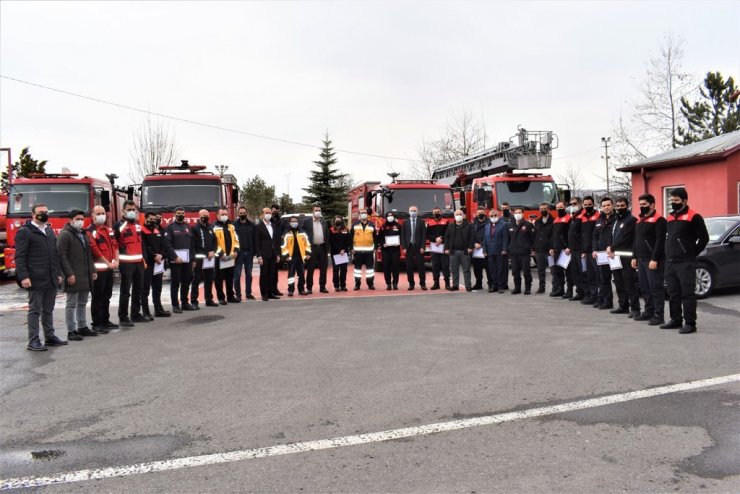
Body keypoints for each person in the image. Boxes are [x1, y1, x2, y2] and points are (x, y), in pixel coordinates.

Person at [15, 203, 67, 351]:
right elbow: (20, 257)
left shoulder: (49, 231)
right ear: (33, 215)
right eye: (40, 212)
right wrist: (24, 276)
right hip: (35, 278)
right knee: (35, 310)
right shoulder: (25, 232)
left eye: (46, 211)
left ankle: (50, 337)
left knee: (48, 309)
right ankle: (33, 341)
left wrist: (58, 274)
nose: (44, 214)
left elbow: (54, 255)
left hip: (50, 278)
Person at [661, 187, 709, 334]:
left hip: (685, 262)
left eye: (676, 200)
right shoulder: (670, 217)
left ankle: (690, 323)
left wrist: (692, 252)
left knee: (687, 293)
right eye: (672, 200)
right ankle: (676, 320)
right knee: (673, 293)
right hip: (670, 262)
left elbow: (704, 238)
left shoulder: (694, 217)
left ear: (685, 201)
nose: (673, 203)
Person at [57, 209, 98, 341]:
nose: (81, 221)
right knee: (71, 303)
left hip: (85, 274)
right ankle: (71, 330)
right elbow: (61, 256)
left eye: (82, 218)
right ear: (71, 220)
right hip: (73, 275)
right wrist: (69, 273)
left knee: (82, 303)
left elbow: (88, 255)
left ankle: (82, 326)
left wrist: (93, 270)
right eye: (78, 219)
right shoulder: (65, 235)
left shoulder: (83, 234)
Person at [631, 193, 667, 326]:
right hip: (641, 260)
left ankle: (659, 315)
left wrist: (655, 258)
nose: (641, 207)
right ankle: (649, 311)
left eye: (644, 205)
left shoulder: (659, 220)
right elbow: (636, 240)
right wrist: (634, 256)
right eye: (640, 205)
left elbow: (660, 241)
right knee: (645, 288)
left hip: (653, 261)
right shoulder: (640, 220)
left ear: (652, 205)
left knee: (656, 288)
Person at [114, 200, 147, 326]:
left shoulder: (138, 226)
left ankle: (135, 314)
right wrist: (116, 260)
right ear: (123, 211)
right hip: (126, 263)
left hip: (138, 262)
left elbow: (141, 245)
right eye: (129, 210)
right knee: (126, 291)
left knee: (138, 289)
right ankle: (123, 317)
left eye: (134, 210)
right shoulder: (119, 226)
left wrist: (144, 260)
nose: (132, 212)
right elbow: (114, 244)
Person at [87, 205, 119, 333]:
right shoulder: (90, 231)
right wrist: (108, 263)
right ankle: (97, 323)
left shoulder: (109, 230)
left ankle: (105, 320)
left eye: (103, 213)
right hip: (98, 271)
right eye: (98, 213)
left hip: (109, 269)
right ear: (93, 216)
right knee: (97, 297)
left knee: (107, 296)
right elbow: (95, 251)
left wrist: (116, 261)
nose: (101, 216)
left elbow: (116, 246)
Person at [607, 197, 640, 317]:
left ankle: (635, 309)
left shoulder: (631, 220)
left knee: (629, 283)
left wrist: (612, 247)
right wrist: (610, 248)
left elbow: (625, 238)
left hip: (627, 257)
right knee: (618, 282)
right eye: (618, 206)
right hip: (615, 257)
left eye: (622, 206)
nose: (620, 208)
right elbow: (613, 236)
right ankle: (623, 306)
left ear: (627, 206)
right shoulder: (616, 220)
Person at [165, 206, 195, 313]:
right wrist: (174, 257)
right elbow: (168, 244)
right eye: (179, 213)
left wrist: (193, 259)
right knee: (175, 283)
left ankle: (185, 303)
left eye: (182, 213)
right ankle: (175, 305)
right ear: (174, 215)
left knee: (186, 282)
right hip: (175, 261)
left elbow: (192, 245)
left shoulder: (188, 227)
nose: (181, 215)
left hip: (187, 260)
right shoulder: (170, 227)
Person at [140, 211, 170, 318]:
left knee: (158, 288)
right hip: (148, 263)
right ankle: (146, 312)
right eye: (151, 219)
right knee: (145, 289)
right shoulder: (142, 231)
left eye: (154, 219)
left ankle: (158, 309)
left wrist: (161, 255)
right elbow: (144, 247)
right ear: (146, 218)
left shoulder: (157, 230)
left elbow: (163, 245)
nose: (153, 221)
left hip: (158, 263)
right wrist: (154, 256)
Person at [592, 197, 617, 310]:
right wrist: (594, 249)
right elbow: (595, 236)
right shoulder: (599, 219)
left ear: (613, 205)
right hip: (602, 254)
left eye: (608, 205)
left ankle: (624, 305)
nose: (606, 207)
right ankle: (607, 301)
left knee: (618, 280)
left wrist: (612, 247)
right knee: (604, 279)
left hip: (614, 254)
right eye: (604, 206)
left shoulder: (617, 218)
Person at [191, 210, 217, 307]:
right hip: (199, 258)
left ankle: (209, 299)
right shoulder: (194, 228)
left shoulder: (210, 227)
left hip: (210, 259)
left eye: (207, 215)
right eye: (203, 215)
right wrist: (206, 253)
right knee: (196, 280)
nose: (205, 217)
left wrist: (213, 251)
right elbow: (196, 244)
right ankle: (194, 301)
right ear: (199, 216)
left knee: (209, 279)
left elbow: (215, 241)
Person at [213, 208, 240, 304]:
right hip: (220, 258)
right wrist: (221, 254)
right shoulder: (214, 227)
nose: (224, 215)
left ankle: (230, 296)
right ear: (217, 216)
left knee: (230, 277)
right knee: (219, 279)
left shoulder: (231, 226)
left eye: (225, 214)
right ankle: (221, 298)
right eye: (222, 214)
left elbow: (236, 240)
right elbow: (213, 243)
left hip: (231, 257)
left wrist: (236, 251)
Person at [255, 207, 281, 301]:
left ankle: (271, 293)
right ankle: (264, 294)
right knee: (264, 275)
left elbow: (276, 241)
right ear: (262, 214)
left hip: (273, 254)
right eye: (266, 212)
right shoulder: (258, 227)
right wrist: (259, 256)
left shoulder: (273, 225)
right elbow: (257, 243)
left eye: (270, 212)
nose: (268, 214)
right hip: (264, 255)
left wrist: (278, 254)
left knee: (272, 274)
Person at [444, 209, 473, 292]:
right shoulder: (450, 226)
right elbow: (447, 237)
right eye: (457, 214)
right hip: (453, 251)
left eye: (460, 214)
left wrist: (470, 247)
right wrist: (446, 248)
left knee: (466, 269)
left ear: (463, 215)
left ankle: (468, 285)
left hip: (465, 251)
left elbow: (472, 237)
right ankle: (455, 285)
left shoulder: (469, 225)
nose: (458, 216)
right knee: (454, 269)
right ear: (454, 216)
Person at [579, 196, 601, 305]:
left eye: (589, 204)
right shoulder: (582, 217)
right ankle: (592, 296)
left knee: (598, 275)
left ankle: (599, 297)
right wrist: (583, 250)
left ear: (593, 204)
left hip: (595, 251)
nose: (587, 206)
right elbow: (582, 235)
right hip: (586, 251)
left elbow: (597, 235)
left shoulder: (598, 216)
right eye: (585, 205)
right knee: (590, 275)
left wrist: (595, 249)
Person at [303, 205, 329, 294]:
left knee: (323, 269)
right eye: (316, 210)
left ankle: (322, 287)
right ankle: (309, 288)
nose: (318, 212)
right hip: (312, 248)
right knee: (310, 269)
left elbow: (327, 236)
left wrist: (328, 249)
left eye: (319, 210)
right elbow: (302, 234)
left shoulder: (324, 222)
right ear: (313, 212)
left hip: (322, 248)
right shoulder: (306, 222)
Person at [508, 208, 534, 294]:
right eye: (516, 213)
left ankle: (528, 288)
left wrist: (531, 248)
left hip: (524, 253)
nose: (517, 214)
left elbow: (532, 238)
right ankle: (517, 288)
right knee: (515, 272)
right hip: (514, 253)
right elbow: (508, 238)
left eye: (519, 212)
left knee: (526, 271)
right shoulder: (511, 225)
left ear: (523, 214)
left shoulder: (528, 225)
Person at [281, 217, 311, 296]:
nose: (294, 222)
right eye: (292, 221)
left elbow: (307, 244)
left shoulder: (303, 232)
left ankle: (301, 290)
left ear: (298, 222)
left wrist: (308, 253)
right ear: (289, 223)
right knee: (291, 275)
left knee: (301, 274)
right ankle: (290, 290)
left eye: (295, 221)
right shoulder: (286, 233)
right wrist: (286, 255)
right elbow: (283, 246)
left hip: (301, 257)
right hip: (291, 257)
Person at [401, 205, 427, 290]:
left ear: (417, 212)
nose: (413, 212)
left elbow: (424, 235)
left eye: (414, 210)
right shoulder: (405, 222)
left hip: (419, 246)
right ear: (409, 212)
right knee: (409, 266)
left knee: (421, 266)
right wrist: (404, 247)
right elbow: (403, 236)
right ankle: (411, 284)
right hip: (409, 247)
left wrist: (423, 246)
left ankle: (422, 283)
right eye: (411, 210)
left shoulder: (421, 222)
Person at [565, 197, 587, 301]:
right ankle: (579, 292)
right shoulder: (574, 216)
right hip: (573, 249)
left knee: (583, 272)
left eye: (575, 203)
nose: (572, 206)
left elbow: (583, 234)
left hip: (580, 250)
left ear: (580, 204)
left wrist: (584, 250)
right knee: (575, 272)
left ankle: (587, 293)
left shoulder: (583, 216)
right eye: (571, 204)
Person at [483, 210, 509, 293]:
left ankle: (501, 286)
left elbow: (505, 238)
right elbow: (485, 239)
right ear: (489, 216)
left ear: (498, 215)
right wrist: (484, 250)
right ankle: (494, 285)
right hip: (490, 251)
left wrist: (505, 249)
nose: (493, 217)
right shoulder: (487, 226)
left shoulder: (504, 225)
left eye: (495, 215)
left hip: (500, 251)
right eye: (491, 216)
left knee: (501, 269)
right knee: (492, 269)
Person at [233, 206, 256, 301]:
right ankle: (238, 294)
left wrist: (254, 252)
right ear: (238, 214)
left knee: (249, 274)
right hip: (238, 253)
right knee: (237, 275)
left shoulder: (252, 225)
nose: (242, 214)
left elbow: (255, 239)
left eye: (244, 212)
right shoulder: (233, 225)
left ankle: (248, 293)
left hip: (249, 253)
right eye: (240, 213)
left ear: (247, 213)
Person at [549, 201, 571, 298]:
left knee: (568, 272)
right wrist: (551, 247)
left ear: (565, 207)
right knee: (558, 272)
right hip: (556, 250)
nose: (559, 209)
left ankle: (569, 291)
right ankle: (560, 290)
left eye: (561, 207)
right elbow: (553, 235)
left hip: (565, 250)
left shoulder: (568, 218)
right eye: (557, 207)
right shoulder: (556, 219)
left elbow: (570, 235)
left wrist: (568, 246)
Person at [350, 208, 376, 290]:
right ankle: (357, 284)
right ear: (359, 215)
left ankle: (370, 284)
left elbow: (375, 237)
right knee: (357, 270)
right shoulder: (354, 225)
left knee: (370, 270)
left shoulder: (372, 224)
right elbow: (350, 238)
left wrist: (375, 247)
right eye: (362, 213)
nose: (364, 214)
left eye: (365, 213)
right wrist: (351, 248)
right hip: (357, 251)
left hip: (369, 252)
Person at [427, 206, 450, 290]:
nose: (436, 213)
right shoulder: (429, 223)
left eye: (437, 212)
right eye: (435, 212)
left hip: (443, 246)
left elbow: (448, 234)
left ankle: (447, 283)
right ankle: (436, 283)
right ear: (433, 213)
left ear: (440, 212)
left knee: (445, 265)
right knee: (435, 266)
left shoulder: (446, 221)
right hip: (434, 247)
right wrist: (435, 239)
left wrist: (441, 239)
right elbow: (427, 235)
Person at [532, 203, 553, 294]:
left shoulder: (554, 221)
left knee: (553, 270)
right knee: (540, 270)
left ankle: (556, 287)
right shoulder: (537, 221)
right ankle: (541, 288)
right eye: (541, 209)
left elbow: (554, 236)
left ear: (548, 210)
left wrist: (552, 248)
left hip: (549, 251)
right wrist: (533, 248)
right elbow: (534, 236)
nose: (543, 210)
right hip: (539, 250)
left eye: (545, 208)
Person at [378, 211, 402, 290]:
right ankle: (388, 283)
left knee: (396, 267)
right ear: (386, 217)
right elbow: (379, 238)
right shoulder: (383, 226)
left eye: (391, 215)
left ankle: (395, 283)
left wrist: (399, 243)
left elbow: (402, 237)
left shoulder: (398, 226)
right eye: (388, 216)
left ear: (394, 216)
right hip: (385, 250)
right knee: (386, 267)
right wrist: (383, 244)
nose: (390, 217)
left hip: (395, 250)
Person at [470, 207, 491, 291]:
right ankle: (478, 283)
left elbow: (489, 235)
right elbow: (471, 234)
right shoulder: (473, 222)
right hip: (476, 249)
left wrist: (481, 244)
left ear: (485, 213)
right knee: (477, 268)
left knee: (488, 268)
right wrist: (474, 243)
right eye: (478, 213)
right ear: (476, 213)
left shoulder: (489, 222)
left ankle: (491, 284)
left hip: (485, 248)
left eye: (482, 212)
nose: (480, 214)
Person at [328, 216, 351, 291]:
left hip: (344, 253)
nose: (338, 220)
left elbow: (348, 240)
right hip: (336, 253)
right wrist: (339, 250)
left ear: (342, 220)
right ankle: (336, 286)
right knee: (336, 270)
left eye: (339, 219)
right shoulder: (332, 230)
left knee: (344, 270)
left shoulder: (346, 229)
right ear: (334, 221)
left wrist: (343, 250)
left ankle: (343, 285)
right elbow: (332, 241)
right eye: (336, 219)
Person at [269, 204, 284, 296]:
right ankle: (269, 290)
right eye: (273, 211)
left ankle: (275, 289)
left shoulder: (281, 222)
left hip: (277, 249)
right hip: (268, 249)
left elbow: (286, 230)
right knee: (268, 272)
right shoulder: (267, 222)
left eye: (277, 211)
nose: (275, 213)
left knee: (275, 272)